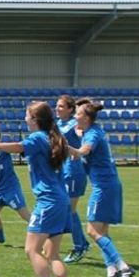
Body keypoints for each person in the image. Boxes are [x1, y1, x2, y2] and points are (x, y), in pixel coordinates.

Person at [0, 102, 80, 277]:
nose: (24, 117)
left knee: (31, 250)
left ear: (34, 119)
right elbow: (68, 149)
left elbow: (19, 146)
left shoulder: (37, 138)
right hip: (60, 200)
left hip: (48, 201)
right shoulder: (54, 137)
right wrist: (75, 152)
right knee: (52, 254)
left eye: (27, 114)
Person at [69, 99, 135, 277]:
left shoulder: (93, 135)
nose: (75, 116)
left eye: (78, 114)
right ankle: (111, 273)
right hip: (109, 185)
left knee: (91, 230)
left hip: (104, 187)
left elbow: (84, 151)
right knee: (102, 232)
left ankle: (123, 267)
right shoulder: (92, 130)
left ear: (87, 118)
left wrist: (64, 148)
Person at [55, 95, 92, 263]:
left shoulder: (74, 125)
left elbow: (81, 133)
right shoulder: (58, 124)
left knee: (69, 210)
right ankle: (80, 243)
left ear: (71, 110)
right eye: (57, 106)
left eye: (61, 106)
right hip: (64, 171)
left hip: (75, 171)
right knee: (65, 209)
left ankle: (80, 246)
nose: (57, 108)